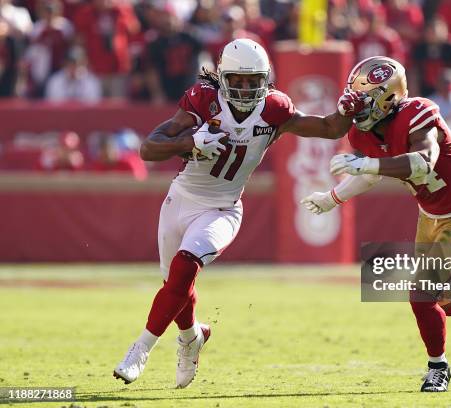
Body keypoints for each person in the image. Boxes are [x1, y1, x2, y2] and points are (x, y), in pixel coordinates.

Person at [113, 38, 358, 388]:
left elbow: (329, 128)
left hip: (223, 208)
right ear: (223, 77)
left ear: (266, 80)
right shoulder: (204, 100)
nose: (245, 89)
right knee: (176, 286)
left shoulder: (274, 109)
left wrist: (351, 108)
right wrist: (188, 143)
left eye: (252, 81)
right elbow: (148, 148)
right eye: (238, 81)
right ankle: (191, 338)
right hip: (180, 200)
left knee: (185, 266)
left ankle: (140, 349)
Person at [301, 56, 451, 392]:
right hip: (430, 214)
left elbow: (422, 163)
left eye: (365, 102)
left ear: (389, 98)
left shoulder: (417, 112)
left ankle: (439, 368)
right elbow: (367, 176)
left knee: (422, 294)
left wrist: (365, 165)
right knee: (444, 298)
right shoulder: (361, 134)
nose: (357, 110)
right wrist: (333, 197)